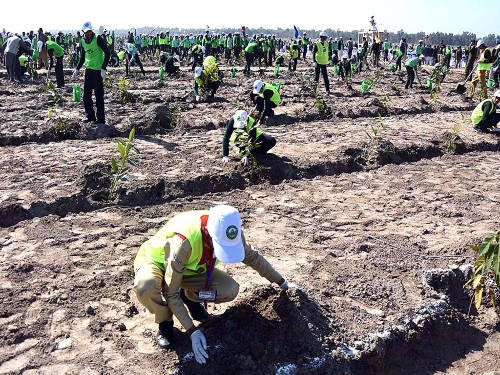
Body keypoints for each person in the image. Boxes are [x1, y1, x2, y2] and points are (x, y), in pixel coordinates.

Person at [133, 205, 298, 363]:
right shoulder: (183, 241)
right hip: (157, 262)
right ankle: (165, 322)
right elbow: (170, 292)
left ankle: (190, 297)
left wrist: (283, 283)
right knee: (146, 287)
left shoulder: (230, 231)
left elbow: (253, 258)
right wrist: (193, 331)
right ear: (209, 233)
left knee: (228, 290)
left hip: (190, 269)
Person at [72, 21, 110, 125]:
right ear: (83, 32)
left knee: (99, 95)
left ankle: (101, 119)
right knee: (86, 96)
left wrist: (103, 68)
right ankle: (90, 117)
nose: (88, 33)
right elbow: (82, 57)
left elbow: (107, 52)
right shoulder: (83, 41)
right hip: (88, 70)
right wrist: (77, 69)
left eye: (89, 31)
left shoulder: (98, 38)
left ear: (92, 30)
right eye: (86, 32)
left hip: (98, 71)